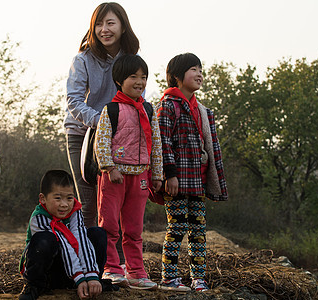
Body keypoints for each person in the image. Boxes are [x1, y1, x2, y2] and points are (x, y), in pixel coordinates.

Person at [156, 53, 228, 292]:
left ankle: (198, 277)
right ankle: (170, 277)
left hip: (197, 180)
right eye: (193, 69)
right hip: (176, 180)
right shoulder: (167, 106)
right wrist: (170, 174)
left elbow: (209, 146)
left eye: (200, 70)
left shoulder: (203, 111)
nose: (199, 74)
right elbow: (163, 142)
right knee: (176, 228)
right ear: (177, 76)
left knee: (198, 230)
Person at [64, 2, 140, 229]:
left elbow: (137, 100)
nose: (104, 29)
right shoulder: (83, 60)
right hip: (83, 135)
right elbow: (74, 102)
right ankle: (89, 261)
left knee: (115, 203)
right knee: (89, 204)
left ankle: (117, 264)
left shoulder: (132, 61)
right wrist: (104, 122)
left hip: (119, 139)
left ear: (123, 27)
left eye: (110, 23)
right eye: (98, 24)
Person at [94, 54, 163, 290]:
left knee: (134, 229)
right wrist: (109, 167)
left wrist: (157, 175)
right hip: (114, 177)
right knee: (110, 225)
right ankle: (111, 268)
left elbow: (156, 143)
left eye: (143, 77)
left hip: (140, 177)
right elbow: (101, 141)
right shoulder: (111, 109)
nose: (139, 81)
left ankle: (136, 271)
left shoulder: (149, 110)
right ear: (119, 81)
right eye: (133, 76)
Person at [18, 170, 107, 300]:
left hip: (70, 270)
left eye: (69, 198)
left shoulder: (75, 213)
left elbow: (80, 240)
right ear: (43, 198)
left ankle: (93, 283)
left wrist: (90, 275)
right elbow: (65, 245)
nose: (64, 204)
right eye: (58, 198)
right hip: (49, 271)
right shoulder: (39, 218)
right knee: (45, 240)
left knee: (97, 233)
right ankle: (34, 285)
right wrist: (78, 277)